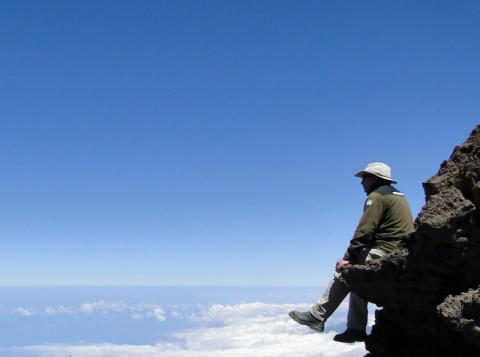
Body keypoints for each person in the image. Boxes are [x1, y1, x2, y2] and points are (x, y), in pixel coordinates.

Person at [289, 162, 415, 343]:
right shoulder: (398, 195)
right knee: (357, 280)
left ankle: (317, 316)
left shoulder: (376, 197)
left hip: (384, 251)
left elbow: (365, 230)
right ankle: (356, 328)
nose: (361, 182)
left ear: (375, 178)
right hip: (399, 252)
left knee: (345, 271)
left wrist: (348, 257)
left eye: (365, 177)